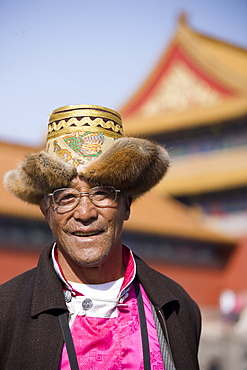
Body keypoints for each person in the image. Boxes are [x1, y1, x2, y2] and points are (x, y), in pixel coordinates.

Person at [0, 104, 201, 370]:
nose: (85, 212)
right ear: (46, 210)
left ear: (127, 205)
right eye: (66, 197)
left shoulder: (176, 307)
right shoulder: (6, 312)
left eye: (102, 194)